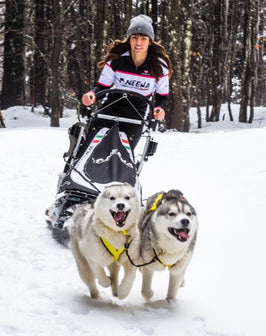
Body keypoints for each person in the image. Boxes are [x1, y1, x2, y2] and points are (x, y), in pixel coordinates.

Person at [82, 14, 172, 149]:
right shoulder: (116, 60)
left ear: (150, 41)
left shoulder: (160, 67)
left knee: (123, 151)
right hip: (111, 106)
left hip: (136, 112)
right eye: (135, 37)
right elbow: (101, 86)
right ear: (129, 39)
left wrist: (160, 109)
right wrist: (91, 94)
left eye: (143, 38)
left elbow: (162, 96)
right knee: (89, 143)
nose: (139, 43)